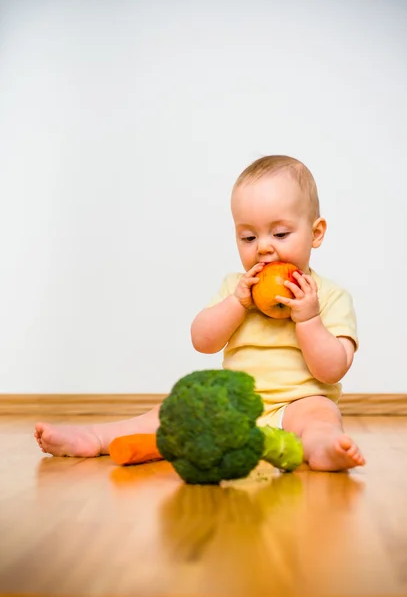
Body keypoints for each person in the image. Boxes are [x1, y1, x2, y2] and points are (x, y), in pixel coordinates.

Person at [35, 154, 365, 471]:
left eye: (280, 234)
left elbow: (331, 370)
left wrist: (308, 319)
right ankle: (95, 437)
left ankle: (325, 448)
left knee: (321, 416)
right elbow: (202, 341)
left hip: (296, 407)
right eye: (248, 237)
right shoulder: (237, 289)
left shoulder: (331, 297)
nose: (263, 247)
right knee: (167, 413)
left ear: (316, 232)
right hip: (233, 404)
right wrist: (236, 304)